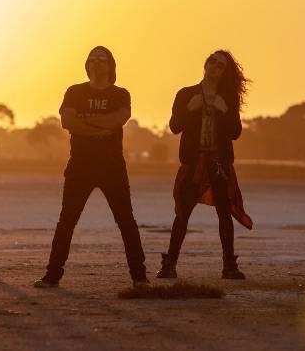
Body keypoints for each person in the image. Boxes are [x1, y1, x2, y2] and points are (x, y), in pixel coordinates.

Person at [34, 46, 148, 288]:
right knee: (67, 221)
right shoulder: (75, 92)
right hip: (80, 166)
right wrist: (98, 128)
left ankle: (139, 277)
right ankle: (52, 276)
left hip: (112, 167)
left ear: (110, 65)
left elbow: (118, 120)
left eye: (101, 59)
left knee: (126, 221)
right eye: (92, 59)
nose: (96, 63)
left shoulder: (120, 94)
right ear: (86, 65)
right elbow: (68, 122)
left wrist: (85, 120)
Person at [156, 50, 253, 280]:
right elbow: (174, 126)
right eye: (212, 61)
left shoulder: (227, 98)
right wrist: (190, 108)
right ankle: (169, 265)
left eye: (220, 65)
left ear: (224, 72)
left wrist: (224, 109)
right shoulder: (186, 94)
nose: (214, 66)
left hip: (218, 163)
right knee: (182, 213)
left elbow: (235, 132)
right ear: (205, 64)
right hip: (193, 162)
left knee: (224, 213)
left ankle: (229, 266)